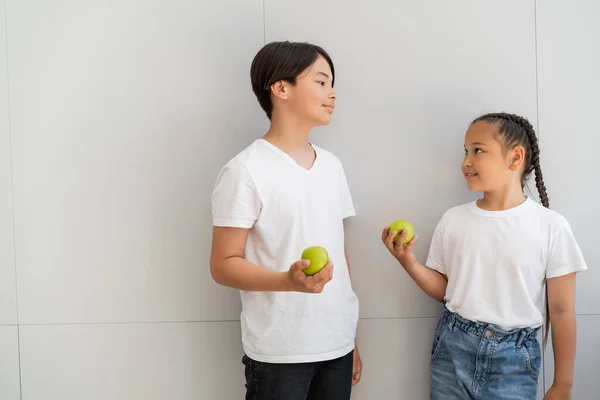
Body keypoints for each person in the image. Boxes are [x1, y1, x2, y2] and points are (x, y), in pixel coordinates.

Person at [382, 112, 587, 400]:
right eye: (465, 151)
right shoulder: (454, 220)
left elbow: (563, 311)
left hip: (514, 361)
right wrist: (408, 261)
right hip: (452, 350)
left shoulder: (551, 227)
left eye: (477, 150)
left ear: (515, 158)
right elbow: (444, 289)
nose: (466, 161)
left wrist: (563, 384)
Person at [210, 41, 362, 400]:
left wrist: (350, 336)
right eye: (321, 82)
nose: (333, 93)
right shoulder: (244, 170)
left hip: (336, 344)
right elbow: (222, 265)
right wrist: (288, 281)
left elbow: (339, 256)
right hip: (280, 353)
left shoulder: (332, 166)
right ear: (281, 88)